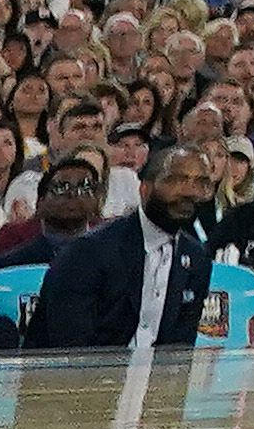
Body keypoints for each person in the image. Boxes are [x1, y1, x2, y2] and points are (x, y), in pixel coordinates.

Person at [17, 150, 211, 353]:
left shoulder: (197, 259)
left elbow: (180, 352)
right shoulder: (87, 253)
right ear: (144, 188)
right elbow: (70, 351)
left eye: (201, 182)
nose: (190, 191)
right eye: (176, 180)